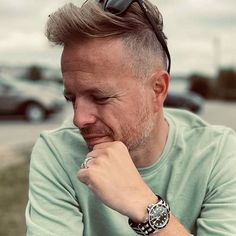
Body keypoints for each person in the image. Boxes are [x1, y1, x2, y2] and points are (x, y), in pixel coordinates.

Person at [25, 0, 236, 235]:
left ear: (157, 89)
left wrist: (144, 205)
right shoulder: (58, 153)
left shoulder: (217, 153)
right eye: (71, 98)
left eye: (100, 97)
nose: (79, 119)